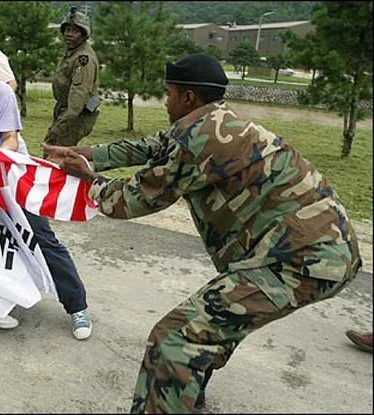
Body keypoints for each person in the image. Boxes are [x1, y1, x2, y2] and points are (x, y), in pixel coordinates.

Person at [44, 53, 362, 413]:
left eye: (169, 94)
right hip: (324, 248)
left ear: (188, 97)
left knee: (175, 340)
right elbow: (151, 147)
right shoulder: (215, 120)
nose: (166, 102)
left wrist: (91, 180)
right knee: (209, 329)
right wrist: (84, 153)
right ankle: (187, 398)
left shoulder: (200, 139)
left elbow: (135, 199)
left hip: (300, 260)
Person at [0, 36, 93, 340]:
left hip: (11, 177)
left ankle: (77, 306)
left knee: (39, 236)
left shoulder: (1, 93)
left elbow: (11, 138)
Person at [43, 6, 100, 153]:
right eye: (67, 30)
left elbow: (77, 101)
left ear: (83, 34)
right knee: (56, 152)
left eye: (74, 31)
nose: (69, 34)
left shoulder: (84, 59)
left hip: (75, 115)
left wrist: (59, 127)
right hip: (67, 111)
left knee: (53, 152)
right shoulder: (72, 52)